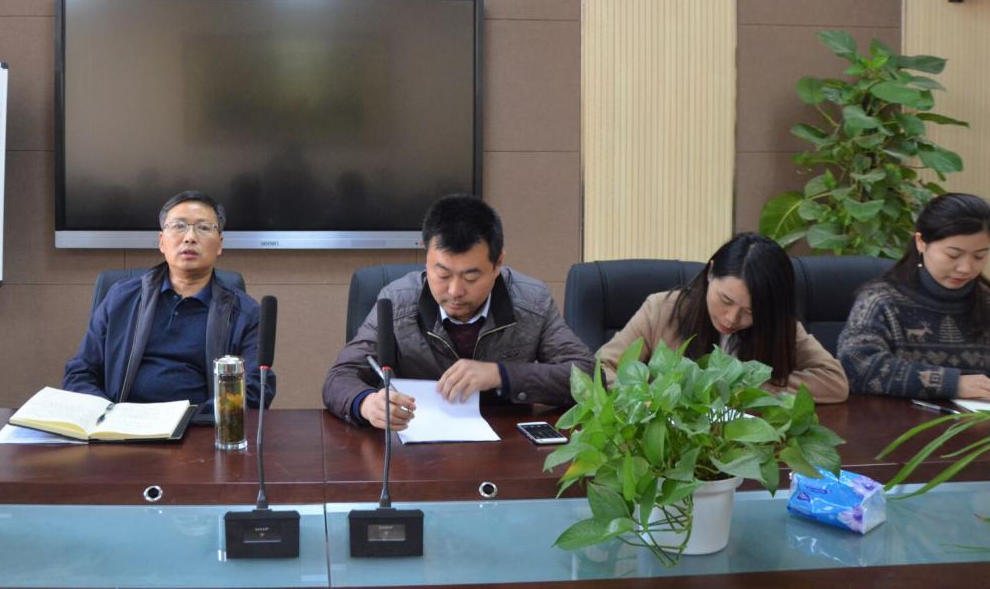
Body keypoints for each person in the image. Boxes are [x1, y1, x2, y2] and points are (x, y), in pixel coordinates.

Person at [322, 194, 595, 430]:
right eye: (442, 275)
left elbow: (589, 376)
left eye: (471, 277)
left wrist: (501, 374)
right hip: (416, 447)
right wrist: (366, 403)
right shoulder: (396, 303)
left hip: (504, 447)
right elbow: (339, 377)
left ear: (498, 263)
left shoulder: (531, 302)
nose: (454, 291)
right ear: (426, 256)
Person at [63, 190, 274, 420]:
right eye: (178, 226)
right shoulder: (120, 298)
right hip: (121, 427)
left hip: (201, 429)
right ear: (161, 241)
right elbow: (80, 372)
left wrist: (187, 420)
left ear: (220, 245)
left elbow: (255, 389)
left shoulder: (245, 312)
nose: (190, 237)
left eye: (204, 228)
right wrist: (109, 415)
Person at [595, 232, 848, 403]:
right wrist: (646, 400)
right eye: (726, 300)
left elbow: (834, 382)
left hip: (748, 447)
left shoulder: (778, 325)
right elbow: (602, 367)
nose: (731, 318)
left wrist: (748, 387)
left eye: (750, 312)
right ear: (711, 272)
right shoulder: (661, 310)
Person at [838, 193, 990, 399]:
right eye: (953, 255)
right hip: (898, 417)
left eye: (979, 256)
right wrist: (949, 383)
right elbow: (856, 366)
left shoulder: (986, 300)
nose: (966, 268)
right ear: (921, 242)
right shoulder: (881, 300)